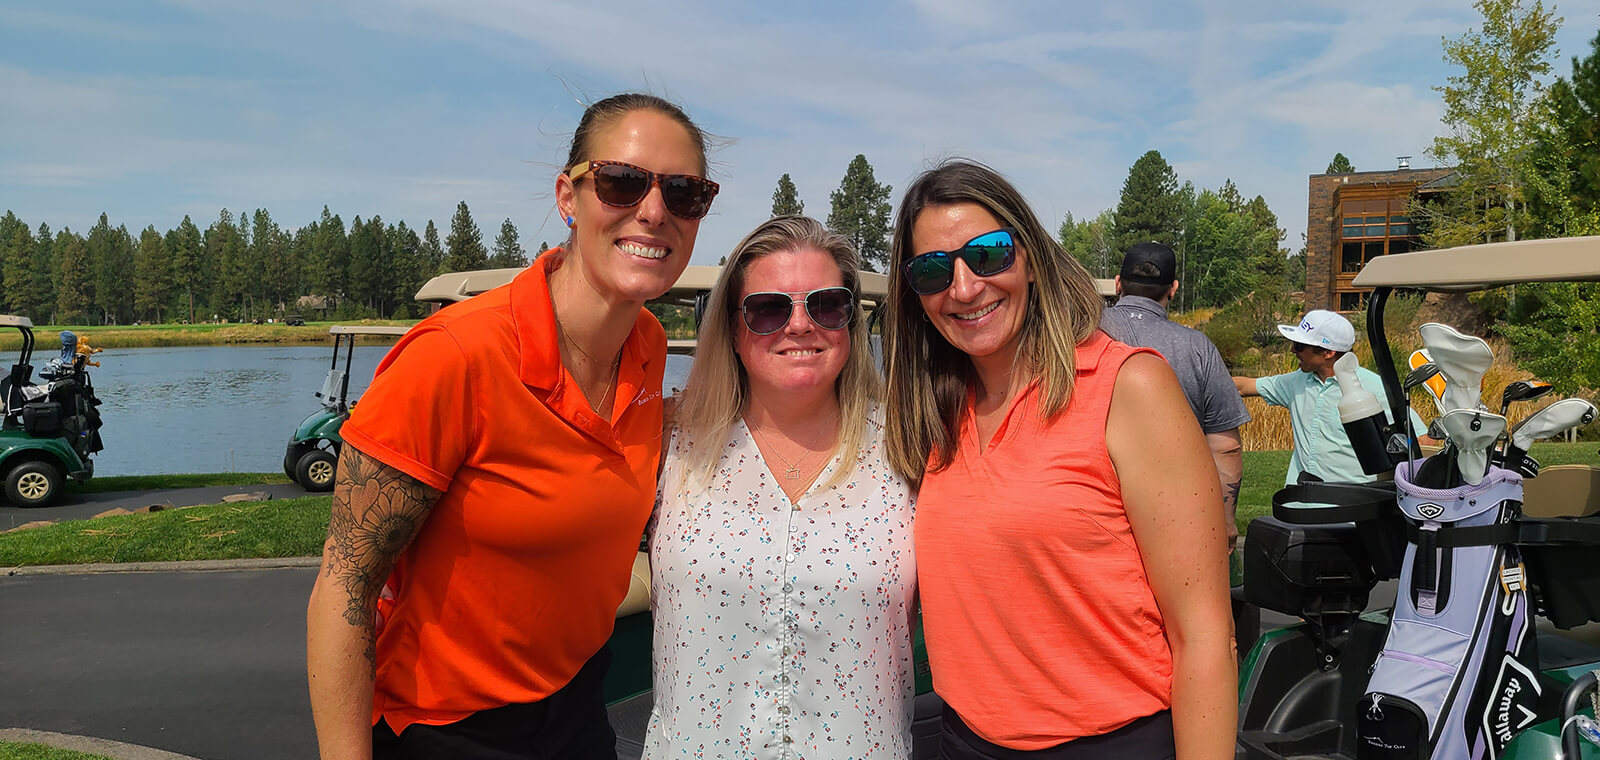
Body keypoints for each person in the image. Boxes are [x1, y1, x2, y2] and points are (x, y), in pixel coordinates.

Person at [306, 92, 718, 760]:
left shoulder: (644, 346)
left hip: (578, 707)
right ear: (568, 195)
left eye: (684, 193)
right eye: (621, 181)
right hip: (446, 727)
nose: (653, 210)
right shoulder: (454, 357)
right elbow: (344, 583)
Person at [883, 159, 1236, 760]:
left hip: (1106, 744)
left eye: (990, 254)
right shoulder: (936, 412)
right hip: (963, 738)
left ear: (1031, 257)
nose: (964, 287)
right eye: (933, 270)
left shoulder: (1128, 387)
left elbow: (1203, 633)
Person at [647, 215, 917, 758]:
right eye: (768, 309)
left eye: (827, 305)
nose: (800, 325)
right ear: (730, 327)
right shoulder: (666, 444)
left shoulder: (910, 448)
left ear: (851, 322)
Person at [1100, 242, 1251, 552]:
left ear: (1118, 283)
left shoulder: (1079, 332)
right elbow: (1225, 446)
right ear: (1173, 289)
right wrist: (1224, 520)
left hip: (1092, 513)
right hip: (1173, 521)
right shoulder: (1198, 348)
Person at [1232, 309, 1424, 486]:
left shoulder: (1376, 389)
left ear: (1328, 352)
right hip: (1301, 504)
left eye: (1300, 345)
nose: (1292, 350)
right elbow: (1242, 387)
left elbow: (1422, 441)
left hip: (1352, 509)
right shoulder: (1295, 382)